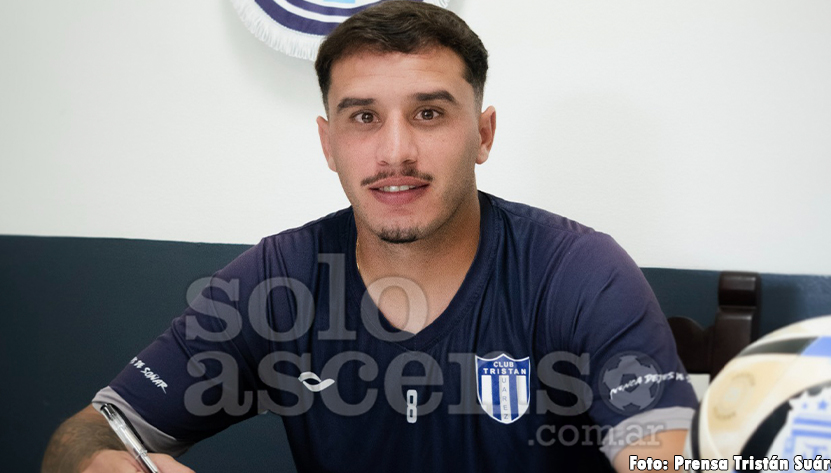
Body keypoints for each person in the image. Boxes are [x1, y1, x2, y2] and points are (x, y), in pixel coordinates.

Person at [42, 2, 698, 472]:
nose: (395, 151)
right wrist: (99, 463)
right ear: (329, 143)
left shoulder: (582, 274)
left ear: (483, 134)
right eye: (363, 117)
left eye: (429, 113)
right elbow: (84, 434)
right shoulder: (277, 279)